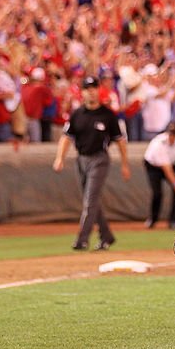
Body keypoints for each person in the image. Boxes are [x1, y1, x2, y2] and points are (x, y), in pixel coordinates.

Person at [53, 76, 131, 251]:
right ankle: (106, 236)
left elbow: (120, 141)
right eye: (88, 88)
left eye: (94, 88)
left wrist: (125, 164)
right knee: (91, 202)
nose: (91, 91)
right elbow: (66, 138)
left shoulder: (108, 115)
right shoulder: (77, 114)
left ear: (98, 90)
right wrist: (60, 158)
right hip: (81, 159)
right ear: (82, 92)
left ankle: (82, 239)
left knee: (90, 201)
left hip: (100, 159)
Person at [142, 121, 175, 229]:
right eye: (171, 133)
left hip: (172, 164)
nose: (172, 136)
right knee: (157, 193)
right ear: (167, 133)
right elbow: (167, 169)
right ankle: (152, 220)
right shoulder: (159, 143)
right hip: (153, 166)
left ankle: (173, 221)